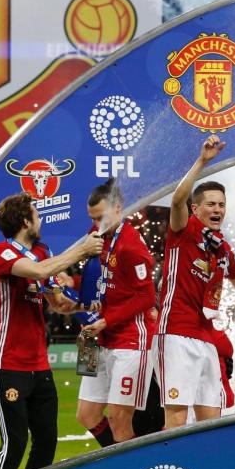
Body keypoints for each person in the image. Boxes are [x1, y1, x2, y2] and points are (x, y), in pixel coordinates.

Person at [156, 136, 235, 429]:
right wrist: (202, 161)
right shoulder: (183, 231)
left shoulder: (222, 246)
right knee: (175, 418)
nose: (218, 210)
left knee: (211, 421)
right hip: (176, 333)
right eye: (211, 204)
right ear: (195, 209)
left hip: (206, 338)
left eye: (222, 205)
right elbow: (176, 199)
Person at [0, 192, 102, 469]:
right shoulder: (0, 252)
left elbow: (57, 302)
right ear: (25, 221)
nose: (40, 219)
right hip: (8, 362)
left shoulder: (43, 251)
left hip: (40, 364)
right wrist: (81, 251)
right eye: (37, 214)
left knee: (47, 442)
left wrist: (83, 306)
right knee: (14, 445)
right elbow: (37, 272)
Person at [74, 183, 157, 445]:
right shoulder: (96, 236)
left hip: (129, 341)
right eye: (92, 218)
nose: (96, 224)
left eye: (100, 217)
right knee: (86, 415)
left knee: (119, 420)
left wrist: (107, 320)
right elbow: (96, 282)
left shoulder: (131, 245)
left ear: (118, 208)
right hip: (94, 339)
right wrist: (70, 286)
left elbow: (146, 297)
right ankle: (119, 464)